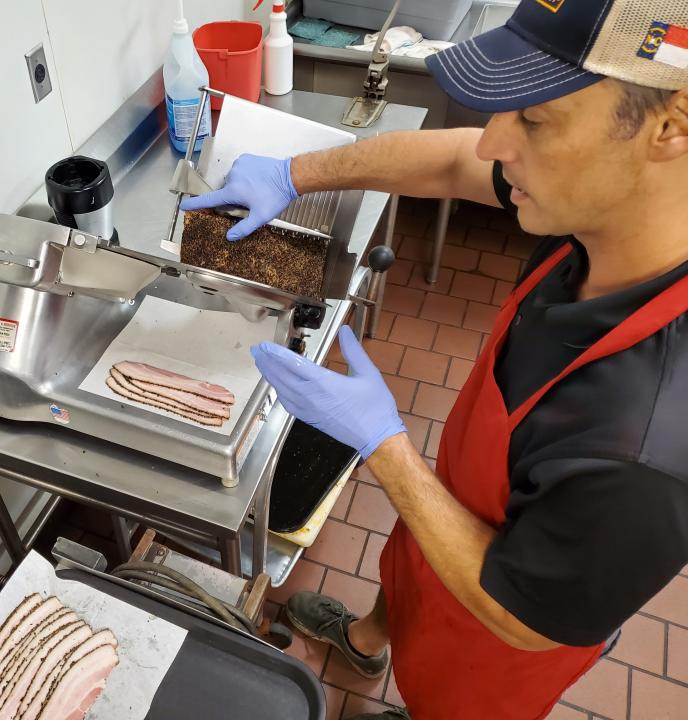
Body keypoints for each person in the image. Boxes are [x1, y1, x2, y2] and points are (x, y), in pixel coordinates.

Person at [181, 1, 688, 718]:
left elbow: (523, 615)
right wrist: (293, 173)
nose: (493, 144)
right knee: (410, 565)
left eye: (535, 119)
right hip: (457, 505)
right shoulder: (604, 207)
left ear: (671, 126)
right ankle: (364, 642)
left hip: (494, 642)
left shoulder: (652, 448)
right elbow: (453, 161)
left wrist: (387, 450)